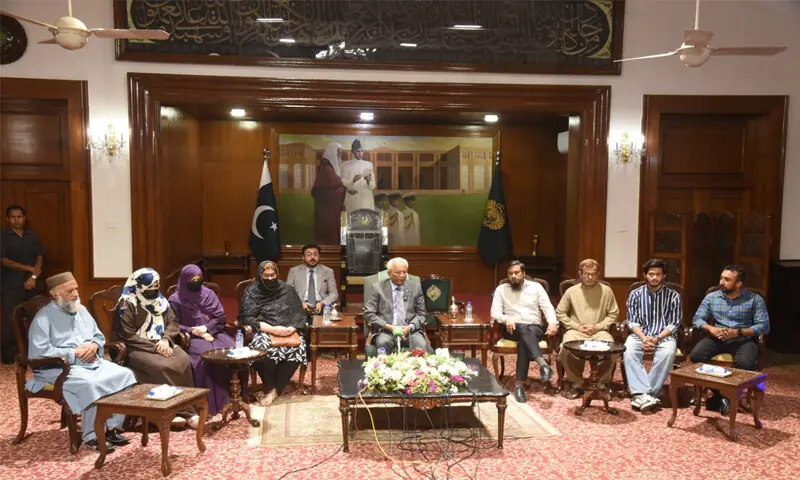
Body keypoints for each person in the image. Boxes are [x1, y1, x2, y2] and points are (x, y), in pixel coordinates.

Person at [27, 272, 137, 452]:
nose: (76, 293)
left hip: (90, 363)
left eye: (77, 288)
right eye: (70, 290)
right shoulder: (43, 318)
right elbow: (40, 353)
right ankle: (92, 435)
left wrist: (94, 345)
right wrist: (73, 353)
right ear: (54, 294)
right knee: (91, 384)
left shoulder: (81, 310)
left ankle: (111, 428)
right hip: (58, 369)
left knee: (125, 375)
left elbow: (98, 336)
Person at [116, 268, 199, 428]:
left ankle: (187, 409)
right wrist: (155, 347)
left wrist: (166, 339)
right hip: (137, 348)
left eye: (156, 286)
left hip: (163, 342)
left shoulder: (160, 300)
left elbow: (172, 322)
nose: (154, 290)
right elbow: (128, 335)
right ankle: (170, 412)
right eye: (151, 287)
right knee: (162, 366)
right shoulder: (126, 305)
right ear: (140, 285)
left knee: (183, 360)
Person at [689, 265, 770, 416]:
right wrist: (711, 329)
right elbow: (697, 319)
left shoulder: (754, 299)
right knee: (696, 356)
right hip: (718, 336)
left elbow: (764, 326)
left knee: (745, 364)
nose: (722, 282)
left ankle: (728, 396)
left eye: (727, 279)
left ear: (739, 283)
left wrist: (738, 332)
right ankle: (722, 396)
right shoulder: (712, 297)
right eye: (721, 278)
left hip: (744, 339)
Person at [168, 264, 239, 417]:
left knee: (231, 351)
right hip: (190, 336)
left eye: (198, 279)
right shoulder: (175, 299)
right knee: (204, 355)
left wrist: (207, 328)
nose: (196, 281)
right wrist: (193, 330)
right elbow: (173, 324)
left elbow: (220, 317)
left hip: (214, 331)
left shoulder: (208, 294)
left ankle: (232, 398)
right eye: (192, 279)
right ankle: (208, 404)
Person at [239, 261, 307, 406]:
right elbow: (247, 318)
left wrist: (293, 328)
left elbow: (298, 314)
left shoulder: (287, 289)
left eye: (273, 275)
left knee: (299, 348)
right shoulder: (252, 291)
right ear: (259, 275)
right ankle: (271, 388)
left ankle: (274, 390)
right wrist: (273, 329)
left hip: (287, 330)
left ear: (277, 274)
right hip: (264, 330)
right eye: (266, 276)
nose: (270, 279)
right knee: (260, 351)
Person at [490, 261, 558, 403]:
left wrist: (552, 322)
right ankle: (543, 365)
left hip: (535, 327)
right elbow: (494, 312)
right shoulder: (501, 289)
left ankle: (519, 386)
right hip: (511, 328)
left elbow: (548, 308)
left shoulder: (536, 287)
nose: (513, 276)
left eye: (517, 273)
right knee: (522, 330)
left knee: (524, 337)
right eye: (510, 273)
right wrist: (506, 318)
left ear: (524, 273)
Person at [623, 259, 682, 413]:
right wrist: (644, 338)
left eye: (658, 274)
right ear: (645, 275)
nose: (654, 277)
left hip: (664, 336)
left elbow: (674, 323)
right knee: (628, 351)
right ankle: (648, 396)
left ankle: (643, 394)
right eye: (651, 274)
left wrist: (656, 339)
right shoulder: (635, 295)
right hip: (639, 335)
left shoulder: (673, 296)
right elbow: (632, 321)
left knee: (668, 352)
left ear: (664, 276)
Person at [556, 259, 620, 399]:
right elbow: (560, 312)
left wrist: (598, 326)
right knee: (564, 348)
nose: (590, 277)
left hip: (599, 331)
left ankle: (601, 384)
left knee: (613, 349)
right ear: (580, 274)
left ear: (598, 274)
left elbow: (613, 313)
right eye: (586, 274)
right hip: (576, 330)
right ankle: (576, 383)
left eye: (593, 274)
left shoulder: (606, 291)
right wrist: (577, 326)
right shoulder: (571, 291)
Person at [1, 205, 44, 364]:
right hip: (10, 284)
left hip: (33, 284)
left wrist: (33, 275)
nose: (16, 220)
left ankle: (33, 353)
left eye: (19, 217)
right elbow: (4, 261)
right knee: (10, 319)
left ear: (24, 218)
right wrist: (28, 268)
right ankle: (8, 354)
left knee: (36, 318)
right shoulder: (3, 236)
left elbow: (39, 257)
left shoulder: (32, 235)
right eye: (13, 217)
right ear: (8, 219)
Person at [363, 257, 432, 355]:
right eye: (398, 272)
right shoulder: (378, 288)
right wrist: (389, 327)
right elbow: (368, 313)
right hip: (386, 331)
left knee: (421, 344)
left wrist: (410, 327)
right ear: (389, 273)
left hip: (410, 331)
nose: (402, 275)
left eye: (404, 272)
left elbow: (422, 313)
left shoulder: (415, 287)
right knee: (383, 343)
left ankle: (417, 370)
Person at [311, 142, 346, 245]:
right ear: (332, 153)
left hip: (333, 208)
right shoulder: (326, 169)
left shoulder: (330, 168)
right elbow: (321, 191)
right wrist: (342, 189)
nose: (340, 155)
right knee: (329, 232)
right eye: (338, 152)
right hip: (327, 209)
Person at [341, 139, 376, 213]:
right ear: (352, 151)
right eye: (357, 151)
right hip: (353, 201)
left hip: (367, 201)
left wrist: (369, 181)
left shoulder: (369, 165)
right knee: (353, 222)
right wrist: (352, 181)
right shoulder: (345, 165)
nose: (360, 154)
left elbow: (373, 186)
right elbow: (342, 183)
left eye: (362, 151)